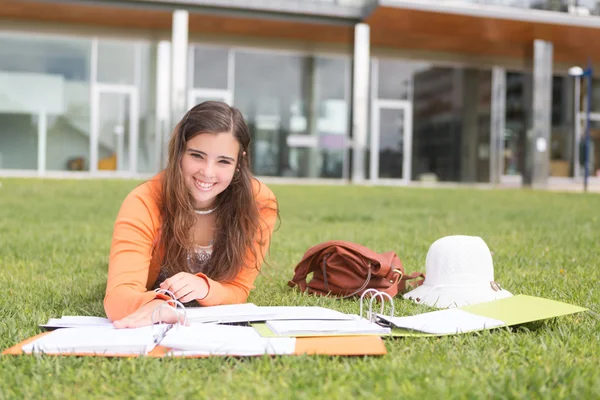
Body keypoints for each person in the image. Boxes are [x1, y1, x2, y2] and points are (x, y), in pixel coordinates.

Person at [104, 101, 278, 328]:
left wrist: (205, 288)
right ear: (180, 153)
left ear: (239, 163)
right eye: (197, 155)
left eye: (223, 161)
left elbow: (238, 289)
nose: (207, 172)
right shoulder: (144, 201)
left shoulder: (259, 203)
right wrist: (157, 305)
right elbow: (119, 296)